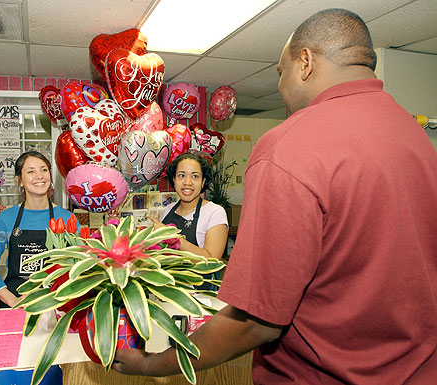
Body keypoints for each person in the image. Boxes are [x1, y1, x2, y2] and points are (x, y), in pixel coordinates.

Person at [112, 8, 437, 384]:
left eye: (280, 72)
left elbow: (256, 323)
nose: (281, 85)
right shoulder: (416, 137)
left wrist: (154, 364)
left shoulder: (290, 144)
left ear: (305, 62)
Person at [0, 151, 73, 308]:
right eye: (31, 171)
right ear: (19, 180)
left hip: (56, 305)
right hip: (16, 306)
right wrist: (13, 301)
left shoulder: (67, 219)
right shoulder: (6, 218)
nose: (40, 176)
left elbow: (78, 266)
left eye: (44, 169)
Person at [148, 152, 228, 290]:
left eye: (195, 176)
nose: (187, 182)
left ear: (203, 182)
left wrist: (171, 237)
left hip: (201, 294)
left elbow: (211, 262)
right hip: (168, 290)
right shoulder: (168, 210)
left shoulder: (214, 212)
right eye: (182, 175)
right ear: (174, 180)